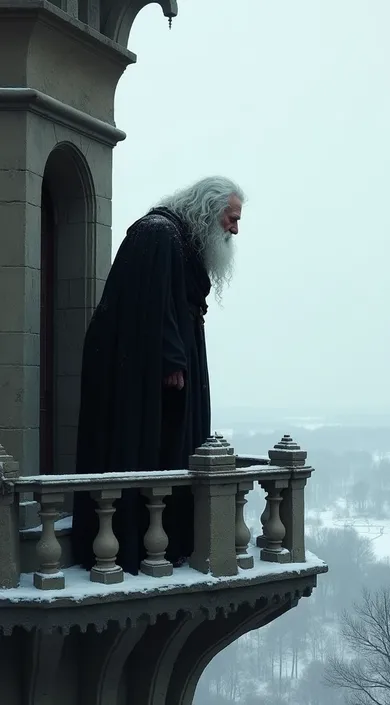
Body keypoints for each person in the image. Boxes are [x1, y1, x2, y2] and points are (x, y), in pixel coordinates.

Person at [71, 176, 244, 573]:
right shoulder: (158, 233)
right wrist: (170, 357)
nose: (234, 229)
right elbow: (149, 302)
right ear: (208, 209)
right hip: (147, 378)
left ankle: (172, 541)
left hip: (167, 373)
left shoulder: (177, 239)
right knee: (153, 450)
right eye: (232, 218)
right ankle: (141, 546)